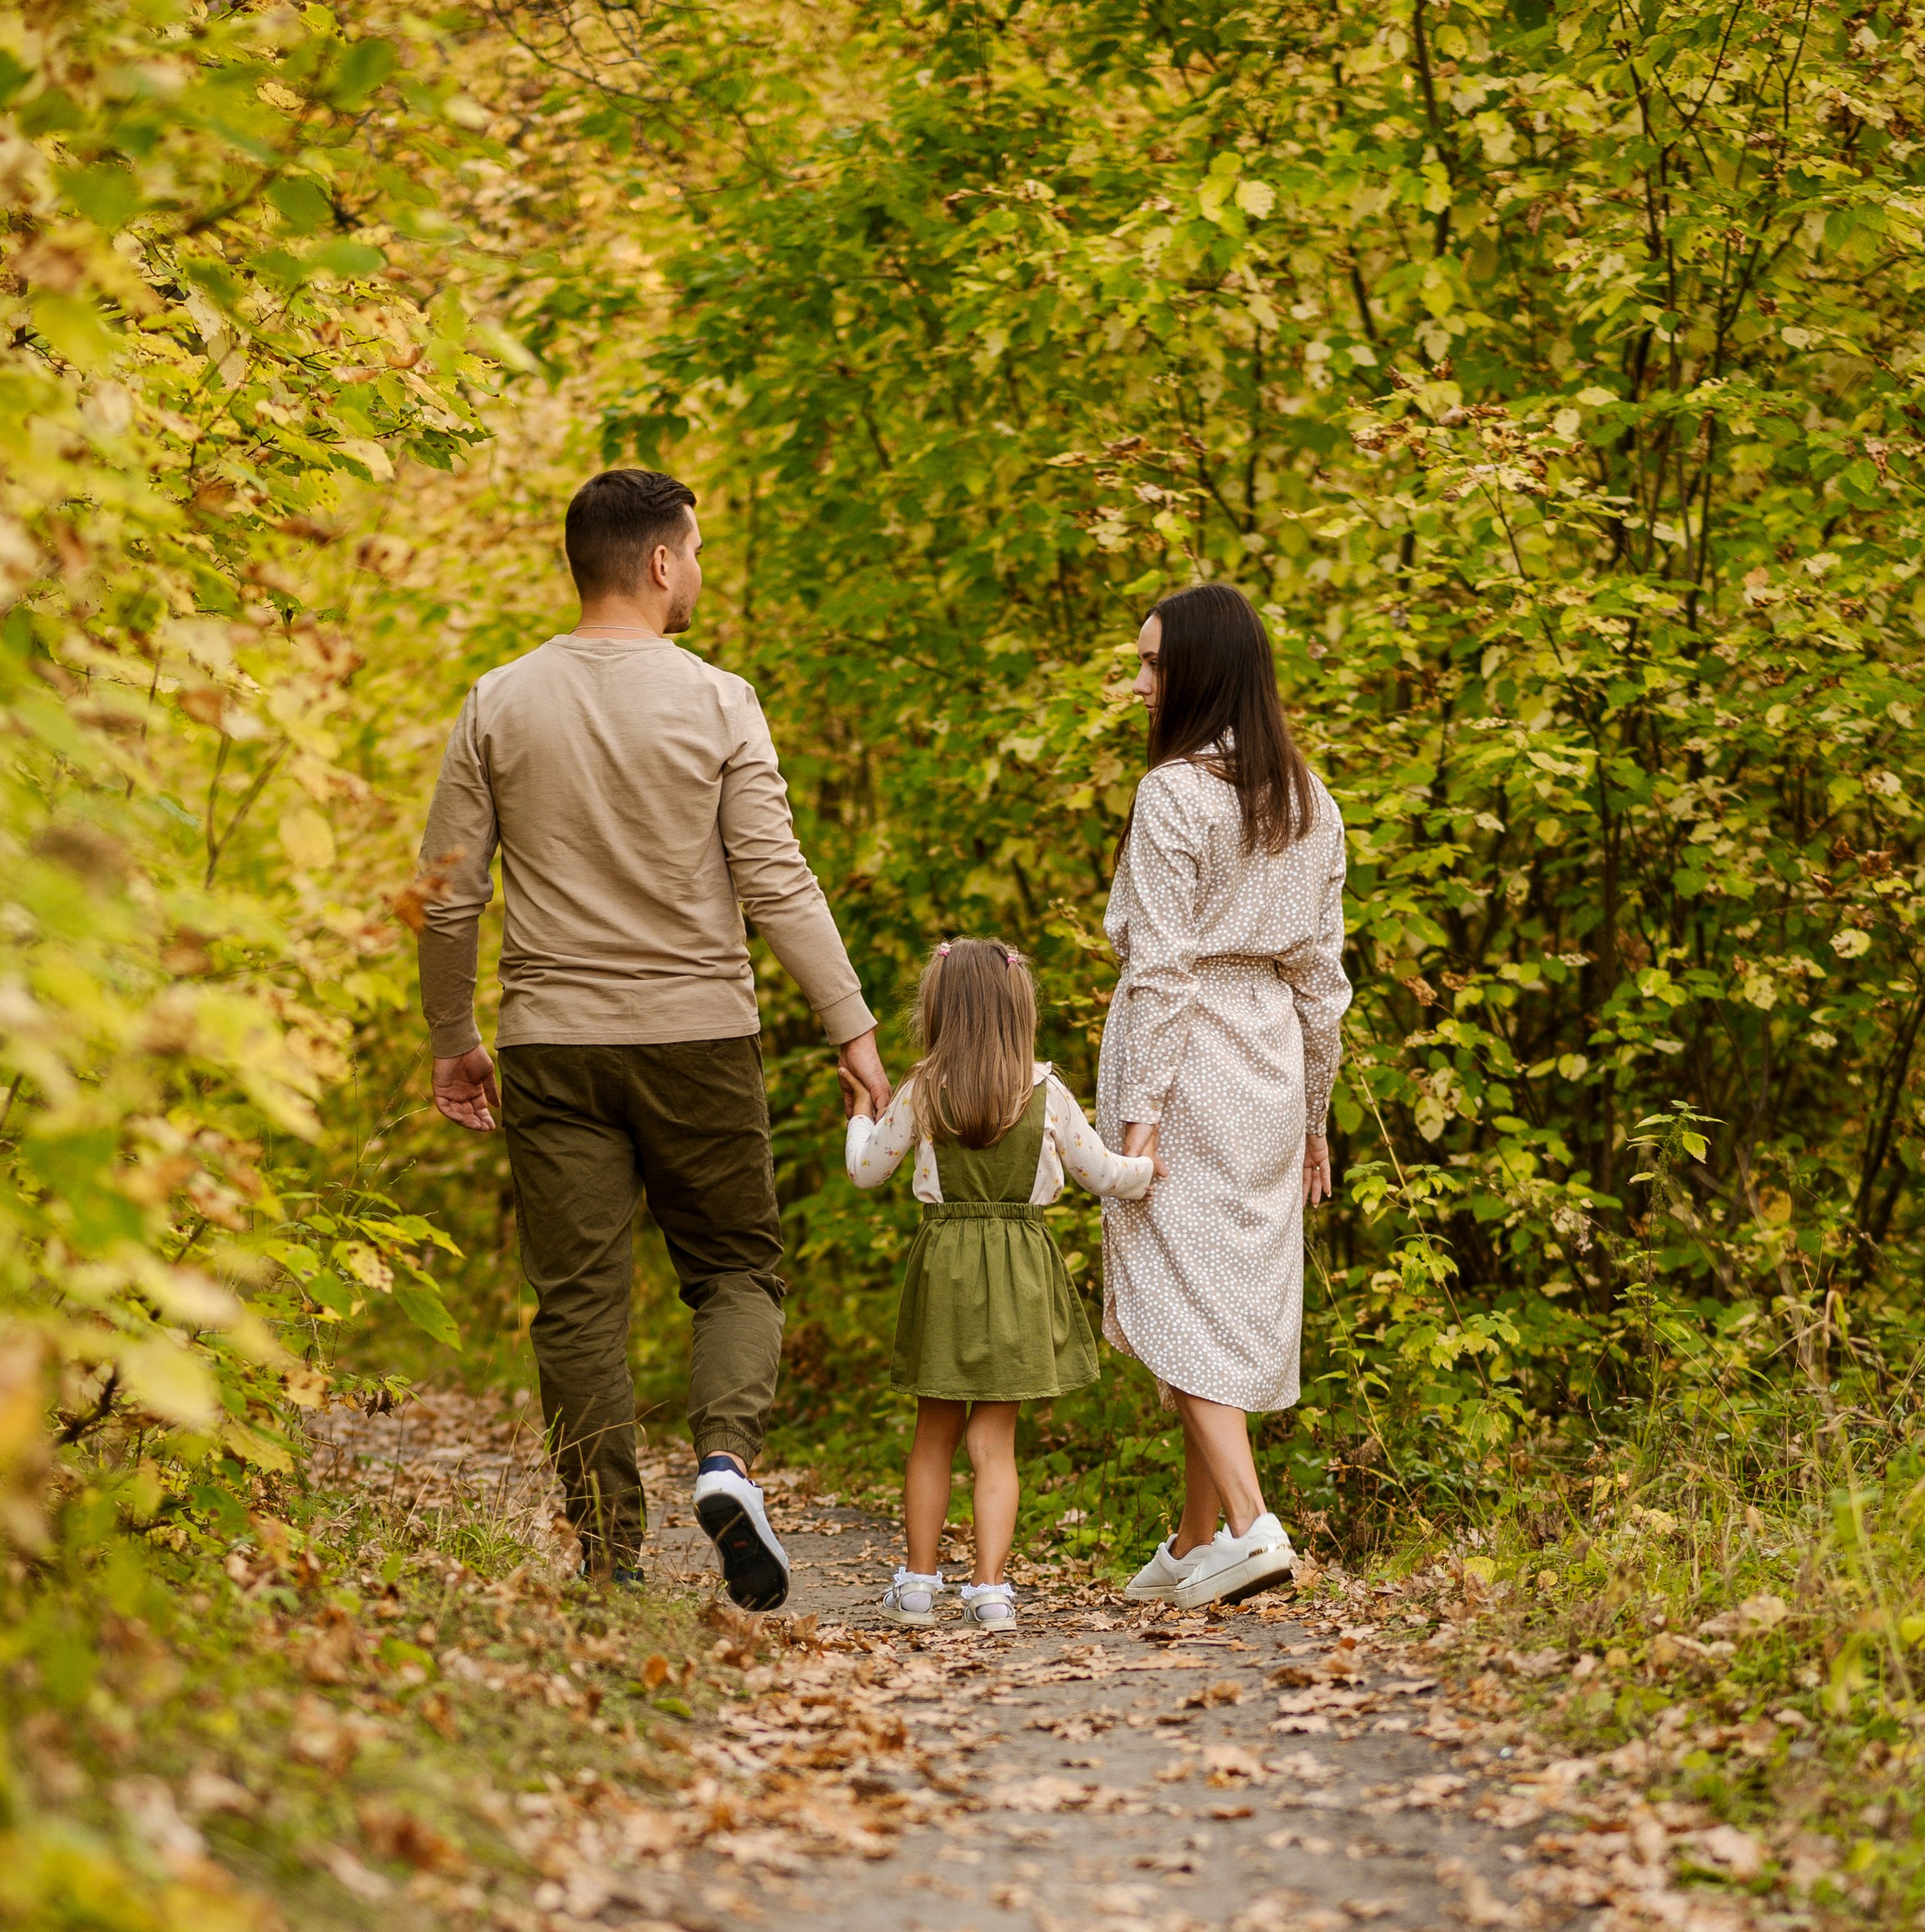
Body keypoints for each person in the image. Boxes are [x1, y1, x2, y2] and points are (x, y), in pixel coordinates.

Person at [411, 465, 889, 1608]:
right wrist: (853, 1029)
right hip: (699, 1039)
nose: (701, 572)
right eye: (699, 550)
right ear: (663, 561)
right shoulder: (720, 701)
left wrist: (450, 1034)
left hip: (551, 1043)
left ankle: (610, 1558)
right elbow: (777, 884)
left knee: (578, 1300)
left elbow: (446, 897)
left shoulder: (499, 699)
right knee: (733, 1270)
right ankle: (724, 1465)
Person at [1096, 580, 1349, 1608]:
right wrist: (1313, 1117)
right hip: (1272, 1062)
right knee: (1217, 1299)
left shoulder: (1174, 795)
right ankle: (1193, 1539)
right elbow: (1323, 980)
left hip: (1189, 1058)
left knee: (1170, 1287)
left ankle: (1251, 1524)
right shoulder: (1310, 797)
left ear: (1202, 670)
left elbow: (1159, 967)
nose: (1141, 683)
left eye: (1155, 663)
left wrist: (1140, 1121)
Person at [846, 938, 1157, 1633]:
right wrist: (1147, 1168)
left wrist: (861, 1114)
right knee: (995, 1443)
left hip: (946, 1270)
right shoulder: (1046, 1091)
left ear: (938, 1012)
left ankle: (920, 1585)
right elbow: (1103, 1174)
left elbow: (867, 1171)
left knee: (934, 1434)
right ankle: (990, 1590)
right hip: (1019, 1271)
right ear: (1019, 1010)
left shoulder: (923, 1087)